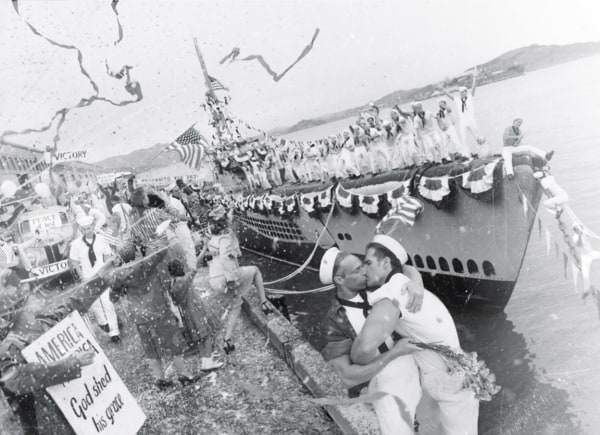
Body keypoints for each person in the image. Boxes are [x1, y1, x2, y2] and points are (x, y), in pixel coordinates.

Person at [351, 235, 479, 435]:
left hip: (444, 378)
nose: (364, 269)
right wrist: (415, 278)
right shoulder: (405, 284)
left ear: (385, 263)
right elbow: (405, 269)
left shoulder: (390, 297)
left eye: (368, 263)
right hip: (455, 372)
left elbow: (362, 352)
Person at [319, 247, 425, 435]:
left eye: (363, 266)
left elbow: (402, 267)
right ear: (339, 280)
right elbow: (346, 377)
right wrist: (394, 353)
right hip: (381, 391)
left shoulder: (374, 286)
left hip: (410, 376)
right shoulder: (334, 322)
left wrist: (416, 283)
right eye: (357, 271)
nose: (365, 271)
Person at [110, 241, 201, 389]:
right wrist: (147, 244)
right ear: (136, 252)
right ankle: (183, 374)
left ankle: (160, 379)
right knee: (174, 343)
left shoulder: (119, 274)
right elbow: (161, 250)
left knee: (150, 348)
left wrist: (117, 274)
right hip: (159, 311)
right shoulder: (147, 263)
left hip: (140, 317)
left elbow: (113, 297)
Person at [205, 205, 273, 354]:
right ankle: (264, 303)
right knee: (255, 270)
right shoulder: (225, 237)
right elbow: (224, 258)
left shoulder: (213, 236)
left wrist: (231, 209)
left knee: (235, 306)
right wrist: (232, 278)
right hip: (225, 276)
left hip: (214, 279)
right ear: (225, 223)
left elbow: (225, 219)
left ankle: (227, 340)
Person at [69, 215, 121, 343]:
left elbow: (108, 256)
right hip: (88, 278)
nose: (87, 231)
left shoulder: (101, 239)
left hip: (102, 275)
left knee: (108, 303)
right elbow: (74, 262)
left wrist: (109, 271)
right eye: (84, 229)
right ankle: (103, 322)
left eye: (89, 228)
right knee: (95, 304)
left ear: (93, 227)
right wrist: (82, 277)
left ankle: (114, 332)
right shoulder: (76, 245)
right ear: (81, 230)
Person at [166, 259, 224, 371]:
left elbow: (175, 302)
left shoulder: (172, 286)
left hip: (186, 314)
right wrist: (203, 250)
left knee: (199, 338)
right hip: (196, 310)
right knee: (206, 335)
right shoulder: (185, 280)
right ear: (180, 269)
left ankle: (205, 360)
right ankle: (208, 361)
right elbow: (194, 266)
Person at [442, 69, 484, 156]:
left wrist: (475, 78)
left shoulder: (469, 97)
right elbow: (449, 96)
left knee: (477, 135)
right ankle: (466, 154)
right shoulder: (457, 100)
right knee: (463, 137)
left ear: (465, 92)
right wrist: (442, 89)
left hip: (470, 119)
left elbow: (473, 88)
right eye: (460, 92)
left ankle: (482, 150)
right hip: (463, 120)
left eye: (463, 92)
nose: (461, 93)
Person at [166, 183, 197, 271]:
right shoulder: (172, 202)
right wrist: (187, 218)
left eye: (179, 189)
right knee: (188, 248)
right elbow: (177, 216)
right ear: (172, 193)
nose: (179, 191)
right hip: (180, 227)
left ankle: (192, 266)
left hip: (184, 226)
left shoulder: (180, 199)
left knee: (190, 247)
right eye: (176, 191)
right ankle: (191, 268)